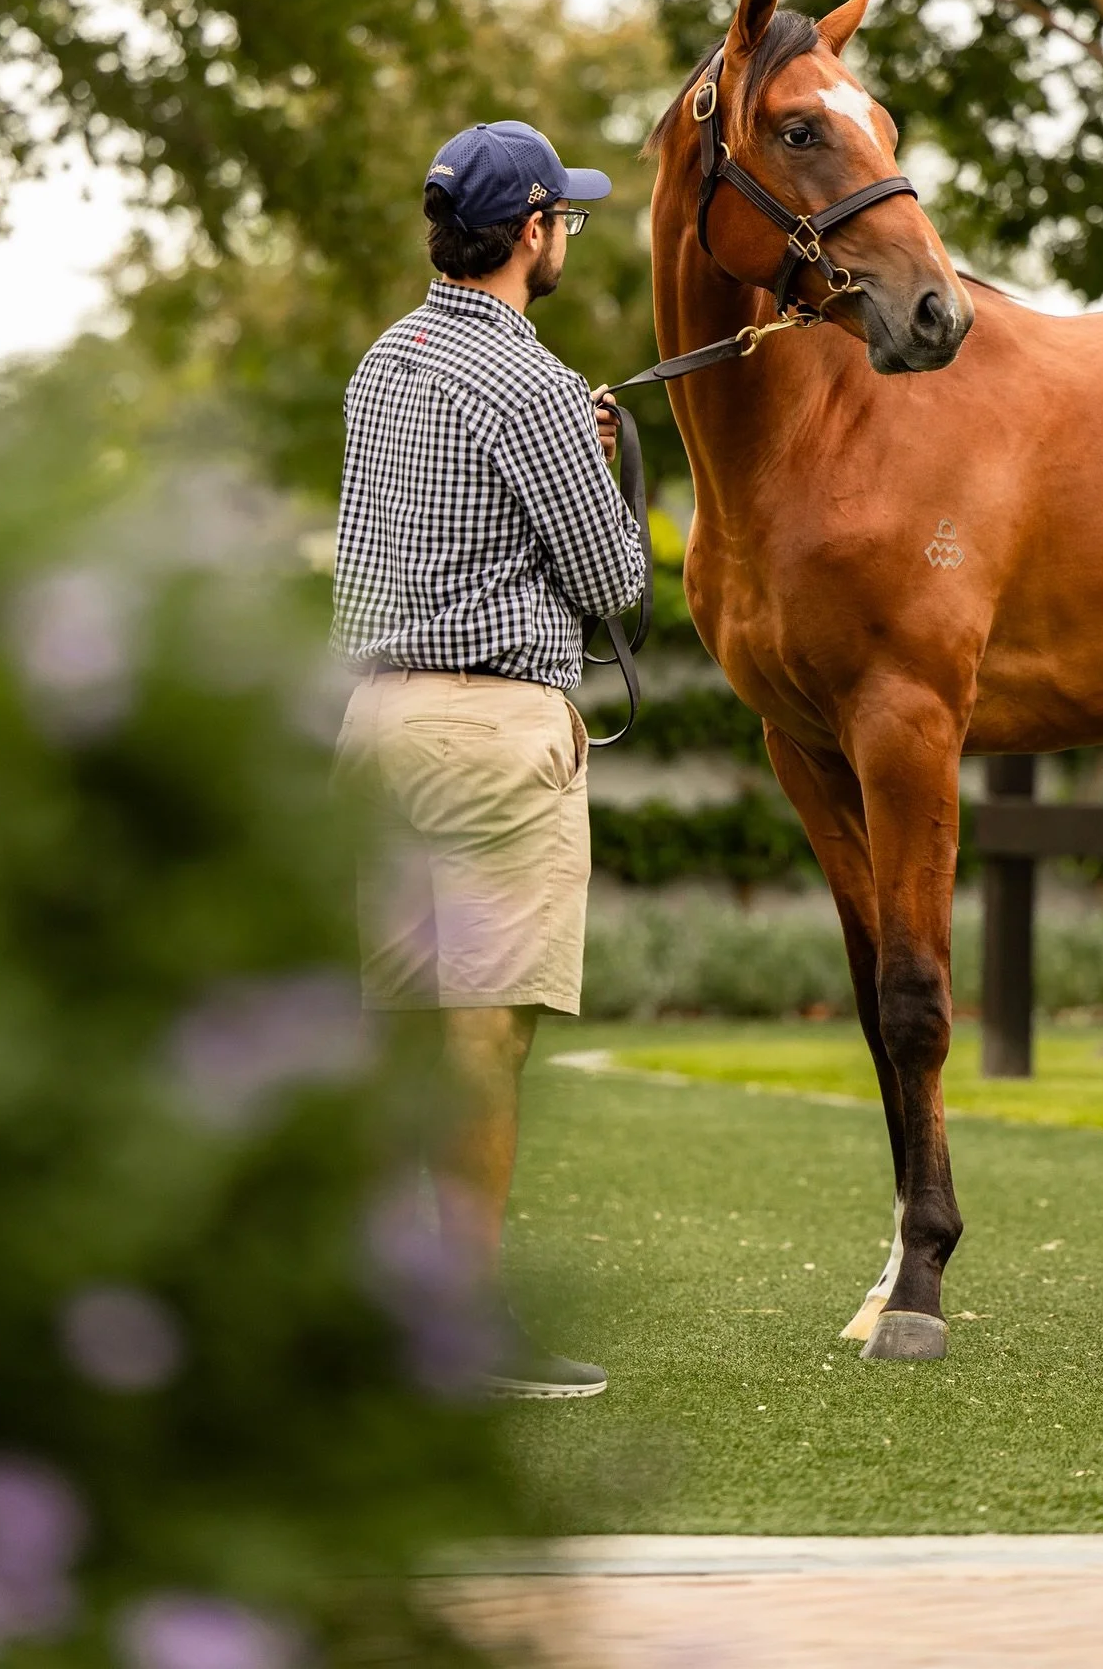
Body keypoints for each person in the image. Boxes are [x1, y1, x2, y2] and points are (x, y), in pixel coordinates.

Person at [333, 120, 646, 1398]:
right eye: (561, 217)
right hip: (490, 735)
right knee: (478, 1041)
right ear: (530, 234)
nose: (566, 231)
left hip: (373, 727)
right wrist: (612, 455)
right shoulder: (529, 385)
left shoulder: (380, 362)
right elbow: (614, 577)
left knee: (389, 1036)